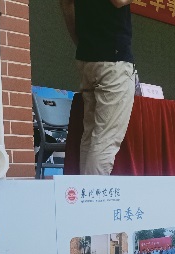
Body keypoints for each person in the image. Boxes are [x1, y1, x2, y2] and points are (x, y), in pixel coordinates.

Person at [61, 0, 134, 176]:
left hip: (88, 56)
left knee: (90, 135)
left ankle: (85, 190)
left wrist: (82, 43)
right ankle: (94, 192)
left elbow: (66, 4)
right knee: (105, 138)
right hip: (112, 58)